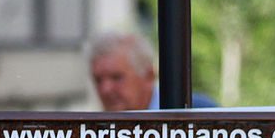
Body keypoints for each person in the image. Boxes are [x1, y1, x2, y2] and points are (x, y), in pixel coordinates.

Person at [89, 32, 218, 111]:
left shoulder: (199, 112)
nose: (105, 89)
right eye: (98, 80)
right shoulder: (96, 135)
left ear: (149, 75)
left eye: (116, 77)